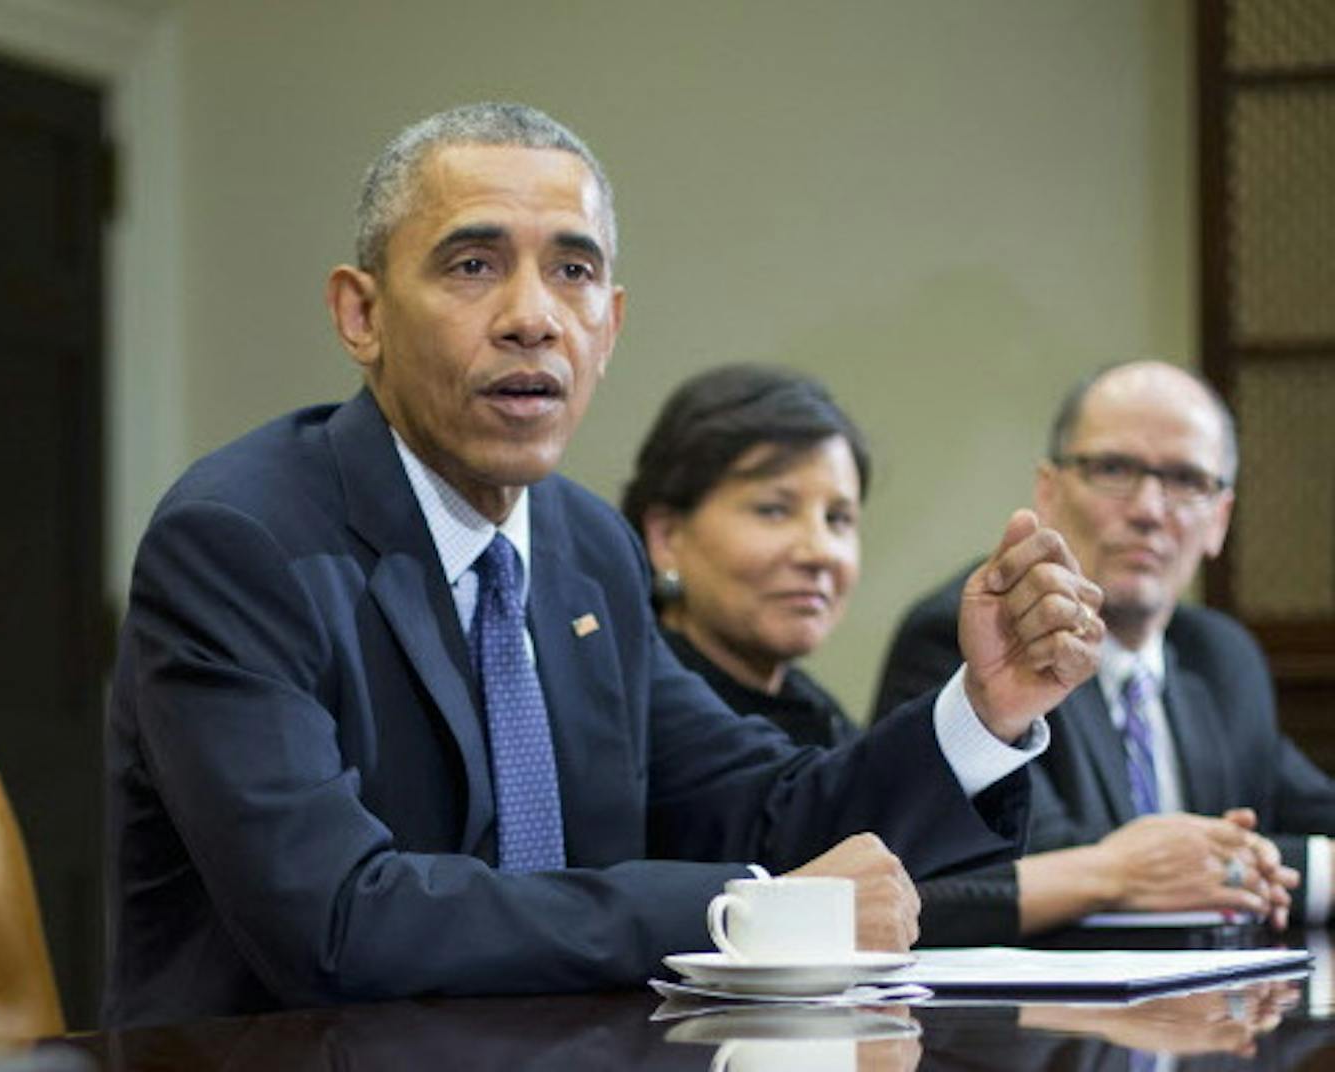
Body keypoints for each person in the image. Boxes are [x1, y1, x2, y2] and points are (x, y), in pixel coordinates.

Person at [104, 102, 1108, 1028]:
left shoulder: (587, 549)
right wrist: (752, 910)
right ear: (360, 314)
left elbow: (761, 812)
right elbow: (337, 920)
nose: (532, 316)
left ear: (611, 327)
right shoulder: (239, 542)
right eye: (472, 266)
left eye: (573, 272)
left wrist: (985, 710)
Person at [624, 364, 1291, 945]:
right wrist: (1113, 871)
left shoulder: (813, 710)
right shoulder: (630, 689)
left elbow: (885, 874)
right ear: (666, 536)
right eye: (773, 510)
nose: (818, 551)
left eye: (840, 520)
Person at [875, 360, 1323, 925]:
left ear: (1219, 519)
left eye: (1186, 481)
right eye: (1113, 468)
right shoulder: (980, 638)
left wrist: (1263, 866)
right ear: (1049, 492)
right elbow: (1045, 859)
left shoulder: (1219, 656)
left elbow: (1310, 809)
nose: (1148, 510)